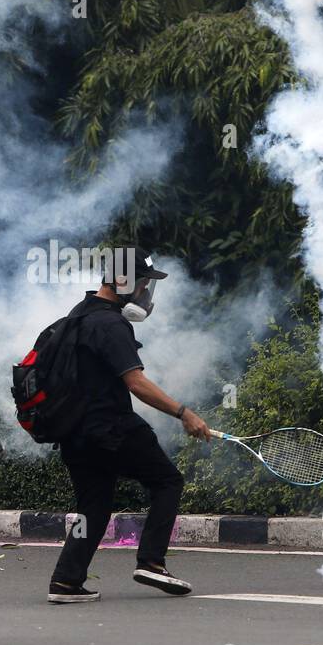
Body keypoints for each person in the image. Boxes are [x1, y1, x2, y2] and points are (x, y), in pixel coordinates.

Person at [48, 247, 210, 604]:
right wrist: (185, 413)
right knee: (167, 480)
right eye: (142, 284)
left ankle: (66, 581)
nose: (145, 293)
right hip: (111, 427)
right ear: (122, 281)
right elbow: (135, 383)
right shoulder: (109, 323)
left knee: (94, 505)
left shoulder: (76, 316)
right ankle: (151, 561)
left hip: (74, 434)